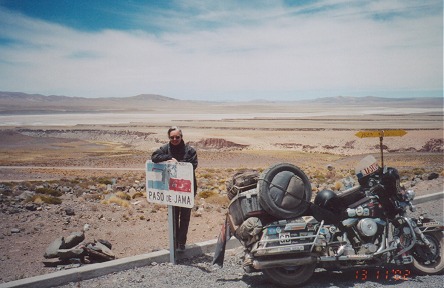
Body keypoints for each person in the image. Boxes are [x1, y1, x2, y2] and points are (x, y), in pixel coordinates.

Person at [151, 126, 198, 252]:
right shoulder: (166, 149)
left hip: (187, 189)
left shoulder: (190, 151)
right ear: (169, 138)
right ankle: (174, 242)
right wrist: (167, 158)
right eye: (172, 137)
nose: (175, 139)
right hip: (171, 189)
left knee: (185, 217)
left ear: (181, 137)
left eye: (177, 137)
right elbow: (154, 157)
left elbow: (192, 165)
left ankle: (181, 243)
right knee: (173, 215)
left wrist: (178, 163)